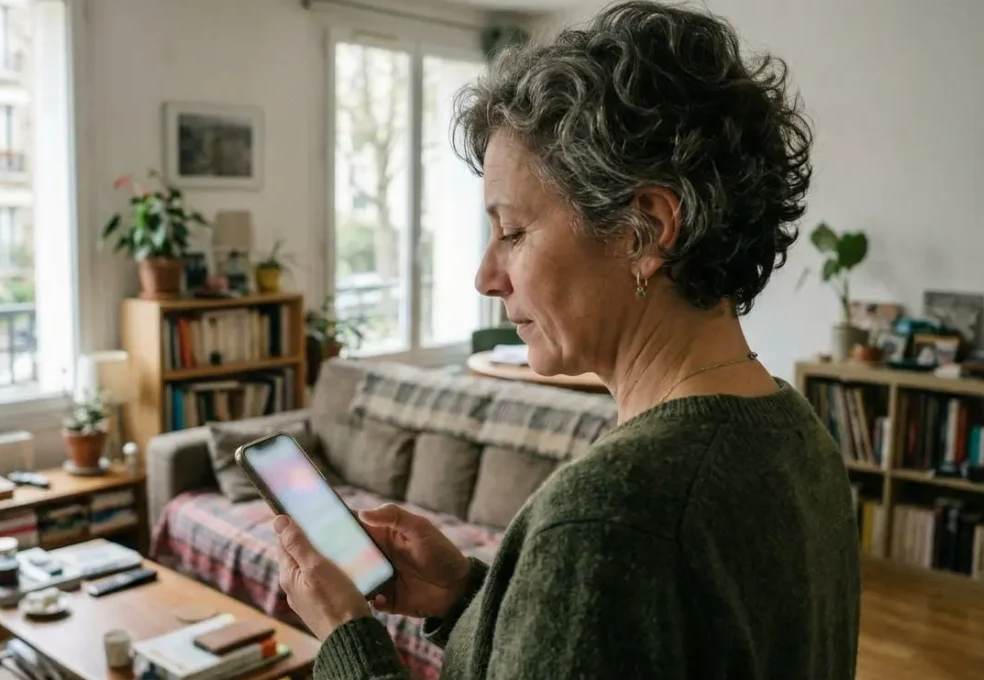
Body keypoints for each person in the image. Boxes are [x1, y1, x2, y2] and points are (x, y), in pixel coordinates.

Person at [273, 1, 860, 678]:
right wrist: (468, 594)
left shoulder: (607, 513)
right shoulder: (801, 440)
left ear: (644, 229)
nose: (485, 276)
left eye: (513, 231)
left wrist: (345, 635)